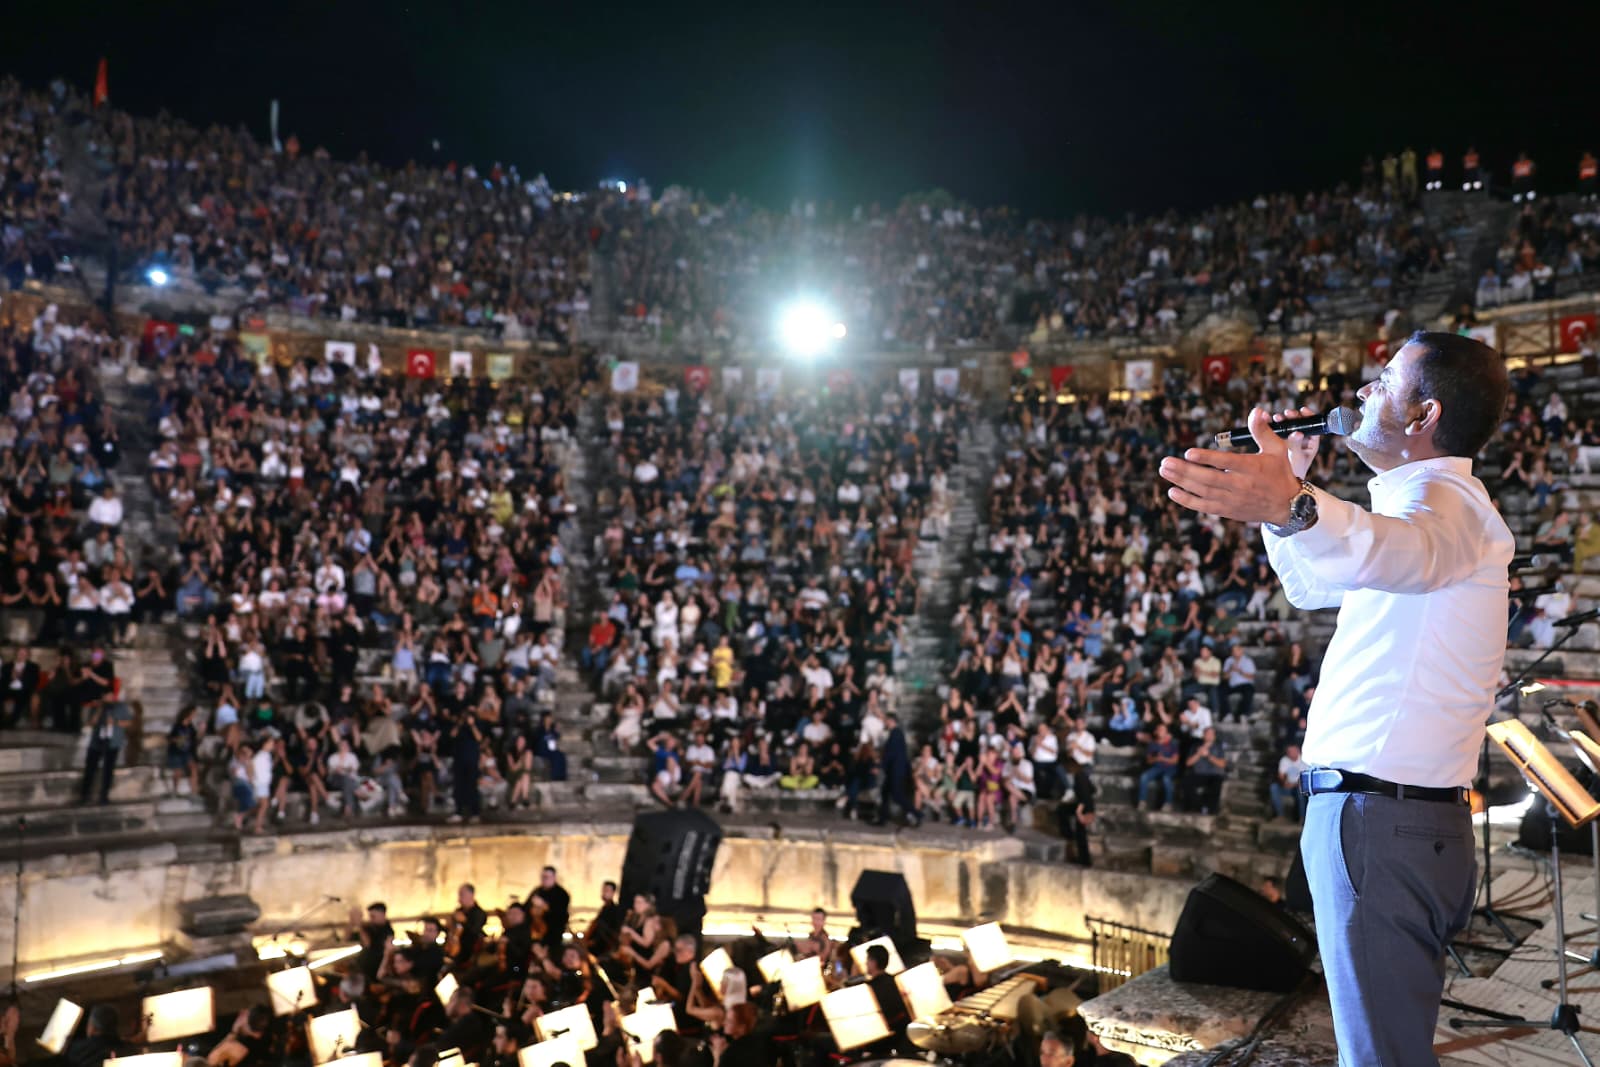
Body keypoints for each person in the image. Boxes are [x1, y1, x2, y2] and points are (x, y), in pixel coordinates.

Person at [1160, 331, 1512, 1066]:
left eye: (1384, 382)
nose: (1360, 393)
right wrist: (1281, 499)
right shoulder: (1420, 505)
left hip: (1382, 820)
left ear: (1423, 416)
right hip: (1391, 818)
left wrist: (1294, 502)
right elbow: (1313, 582)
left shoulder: (1444, 503)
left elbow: (1406, 553)